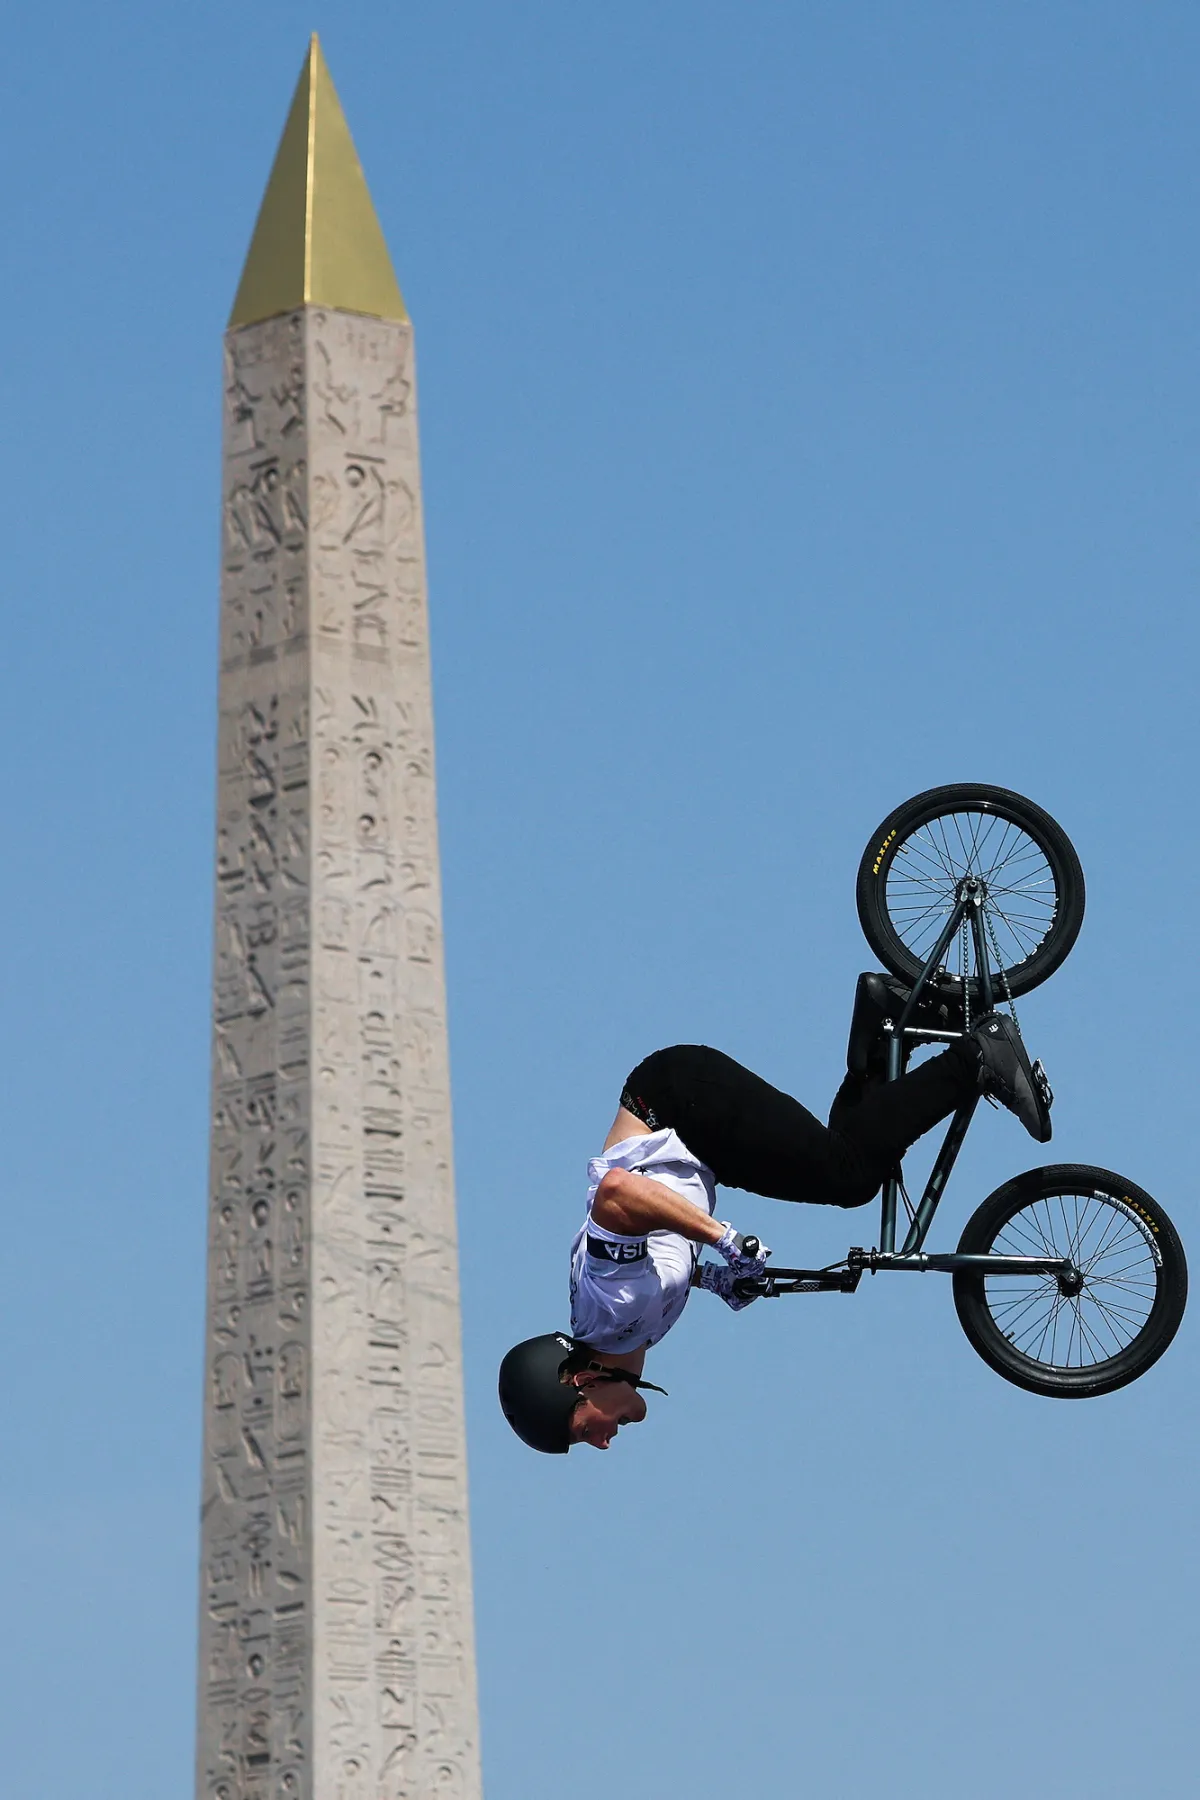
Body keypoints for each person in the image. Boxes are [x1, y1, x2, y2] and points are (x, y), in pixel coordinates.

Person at [498, 981, 1052, 1454]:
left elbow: (618, 1195)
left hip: (679, 1108)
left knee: (849, 1174)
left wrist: (724, 1239)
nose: (599, 1443)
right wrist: (717, 1277)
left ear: (581, 1383)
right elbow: (656, 1251)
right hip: (691, 1130)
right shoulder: (626, 1328)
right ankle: (887, 1018)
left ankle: (978, 1055)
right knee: (853, 1158)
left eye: (579, 1433)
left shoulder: (610, 1312)